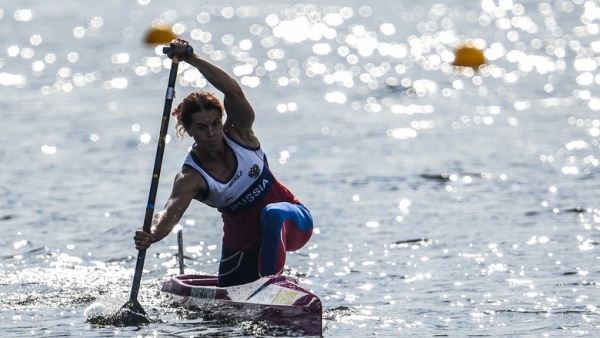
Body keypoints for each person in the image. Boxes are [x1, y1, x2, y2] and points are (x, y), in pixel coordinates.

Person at [133, 39, 313, 287]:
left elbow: (233, 92)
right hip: (242, 244)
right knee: (225, 305)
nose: (211, 132)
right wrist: (151, 235)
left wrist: (192, 59)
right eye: (201, 127)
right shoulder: (191, 178)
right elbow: (169, 214)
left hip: (292, 222)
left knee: (271, 214)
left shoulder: (240, 133)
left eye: (215, 123)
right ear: (189, 131)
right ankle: (262, 287)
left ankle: (272, 285)